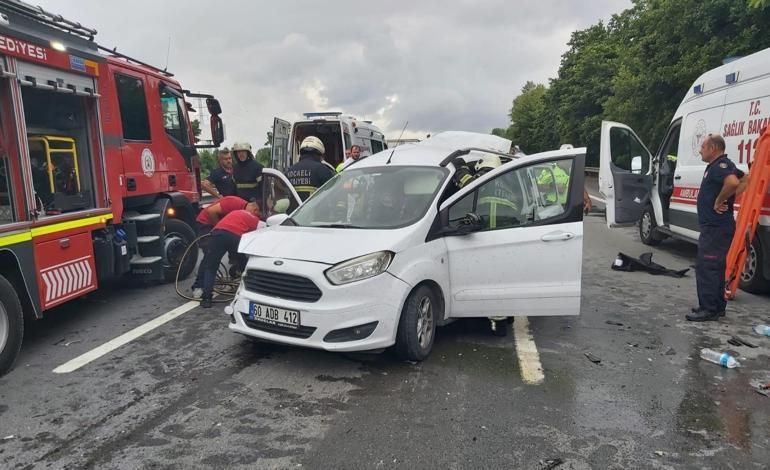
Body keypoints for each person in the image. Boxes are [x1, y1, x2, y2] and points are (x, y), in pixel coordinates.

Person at [686, 133, 747, 322]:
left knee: (707, 267)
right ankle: (717, 307)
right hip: (717, 227)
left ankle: (708, 309)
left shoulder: (719, 166)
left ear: (713, 148)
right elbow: (746, 178)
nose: (700, 150)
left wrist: (720, 200)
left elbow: (734, 182)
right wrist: (730, 197)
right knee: (716, 267)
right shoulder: (720, 165)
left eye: (703, 147)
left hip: (715, 227)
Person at [190, 196, 258, 298]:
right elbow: (211, 211)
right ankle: (199, 286)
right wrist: (219, 227)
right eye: (254, 213)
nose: (252, 215)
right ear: (253, 208)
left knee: (237, 253)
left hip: (223, 230)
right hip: (207, 224)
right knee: (209, 258)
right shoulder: (233, 202)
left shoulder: (244, 212)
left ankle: (237, 275)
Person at [286, 136, 335, 201]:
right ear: (319, 154)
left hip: (295, 211)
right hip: (315, 210)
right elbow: (333, 194)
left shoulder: (289, 171)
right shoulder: (323, 170)